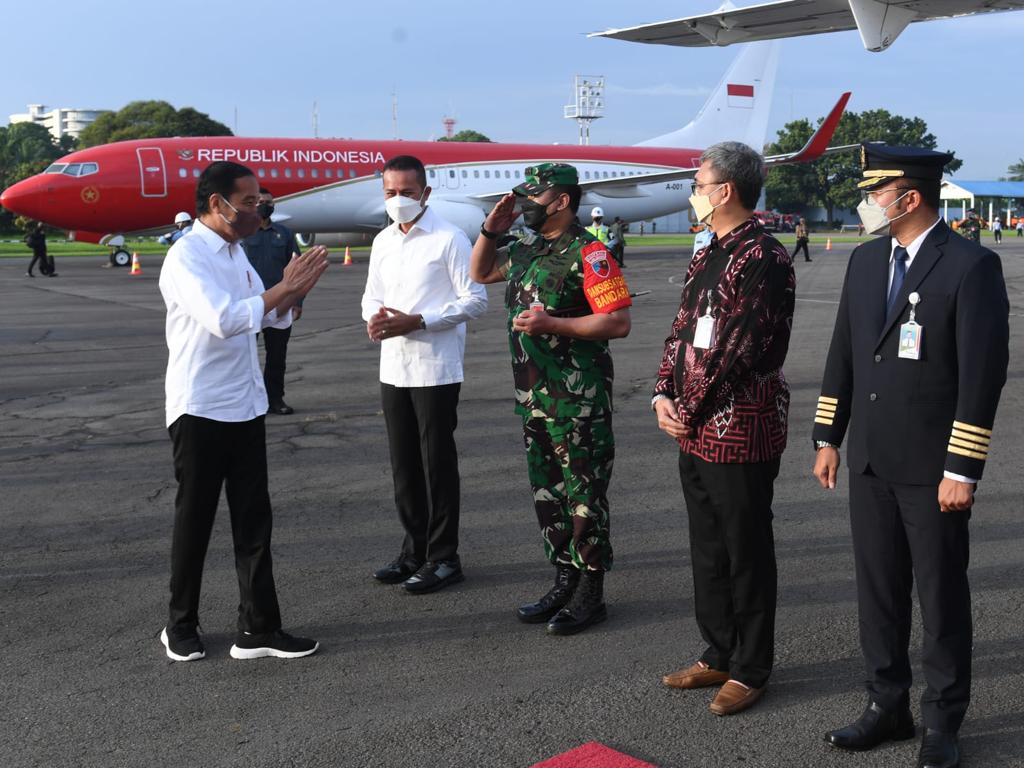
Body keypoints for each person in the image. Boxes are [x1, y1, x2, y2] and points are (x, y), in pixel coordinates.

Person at [812, 144, 1009, 768]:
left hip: (932, 469)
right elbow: (845, 350)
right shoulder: (867, 261)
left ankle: (943, 722)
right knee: (879, 594)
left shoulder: (970, 265)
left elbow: (982, 376)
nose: (868, 204)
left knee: (941, 597)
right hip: (870, 460)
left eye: (875, 193)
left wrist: (962, 468)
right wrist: (828, 436)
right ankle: (886, 705)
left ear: (910, 198)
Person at [157, 160, 329, 662]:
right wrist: (282, 290)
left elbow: (264, 315)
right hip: (201, 406)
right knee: (195, 519)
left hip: (245, 405)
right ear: (217, 204)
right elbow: (224, 319)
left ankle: (258, 628)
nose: (259, 210)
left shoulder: (237, 253)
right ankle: (179, 624)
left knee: (254, 520)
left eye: (259, 202)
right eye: (249, 202)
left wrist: (291, 297)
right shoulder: (187, 255)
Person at [653, 141, 795, 717]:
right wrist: (662, 391)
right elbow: (682, 328)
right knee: (709, 546)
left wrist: (686, 405)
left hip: (740, 425)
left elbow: (738, 348)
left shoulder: (763, 256)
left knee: (745, 549)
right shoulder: (709, 248)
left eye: (699, 183)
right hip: (695, 425)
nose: (694, 192)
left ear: (725, 190)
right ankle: (719, 650)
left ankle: (751, 667)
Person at [470, 163, 632, 636]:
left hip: (577, 401)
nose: (524, 206)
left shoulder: (591, 252)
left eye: (533, 198)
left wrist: (553, 325)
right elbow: (480, 272)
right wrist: (490, 229)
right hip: (533, 397)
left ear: (561, 202)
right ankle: (564, 578)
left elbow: (617, 322)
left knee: (585, 497)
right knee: (549, 495)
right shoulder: (525, 248)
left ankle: (591, 591)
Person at [361, 155, 487, 594]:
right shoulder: (383, 241)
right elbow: (371, 295)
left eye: (407, 192)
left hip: (435, 367)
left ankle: (444, 556)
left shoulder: (449, 239)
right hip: (393, 366)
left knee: (436, 464)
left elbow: (475, 300)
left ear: (426, 193)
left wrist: (418, 320)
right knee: (404, 465)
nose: (398, 200)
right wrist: (374, 318)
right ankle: (413, 550)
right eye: (390, 192)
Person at [243, 188, 302, 415]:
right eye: (260, 202)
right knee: (245, 357)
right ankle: (248, 400)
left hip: (280, 305)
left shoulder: (284, 234)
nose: (264, 206)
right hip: (251, 305)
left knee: (277, 357)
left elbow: (297, 269)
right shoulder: (243, 234)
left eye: (268, 202)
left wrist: (298, 301)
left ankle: (275, 399)